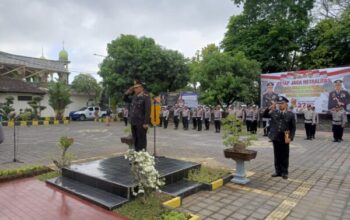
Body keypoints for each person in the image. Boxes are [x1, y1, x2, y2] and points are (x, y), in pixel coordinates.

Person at [264, 96, 296, 180]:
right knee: (277, 155)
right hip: (275, 137)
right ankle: (278, 171)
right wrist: (270, 107)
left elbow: (293, 127)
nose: (280, 105)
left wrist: (291, 137)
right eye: (279, 104)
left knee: (285, 155)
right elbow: (264, 115)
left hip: (285, 137)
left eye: (282, 104)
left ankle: (284, 172)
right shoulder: (274, 112)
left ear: (286, 104)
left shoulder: (290, 114)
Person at [123, 80, 151, 152]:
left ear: (141, 88)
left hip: (141, 123)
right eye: (134, 88)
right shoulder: (134, 96)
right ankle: (137, 156)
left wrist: (146, 122)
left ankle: (142, 156)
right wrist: (128, 91)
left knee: (141, 140)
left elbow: (147, 110)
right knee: (135, 140)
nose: (135, 89)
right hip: (133, 122)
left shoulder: (146, 96)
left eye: (136, 87)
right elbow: (125, 99)